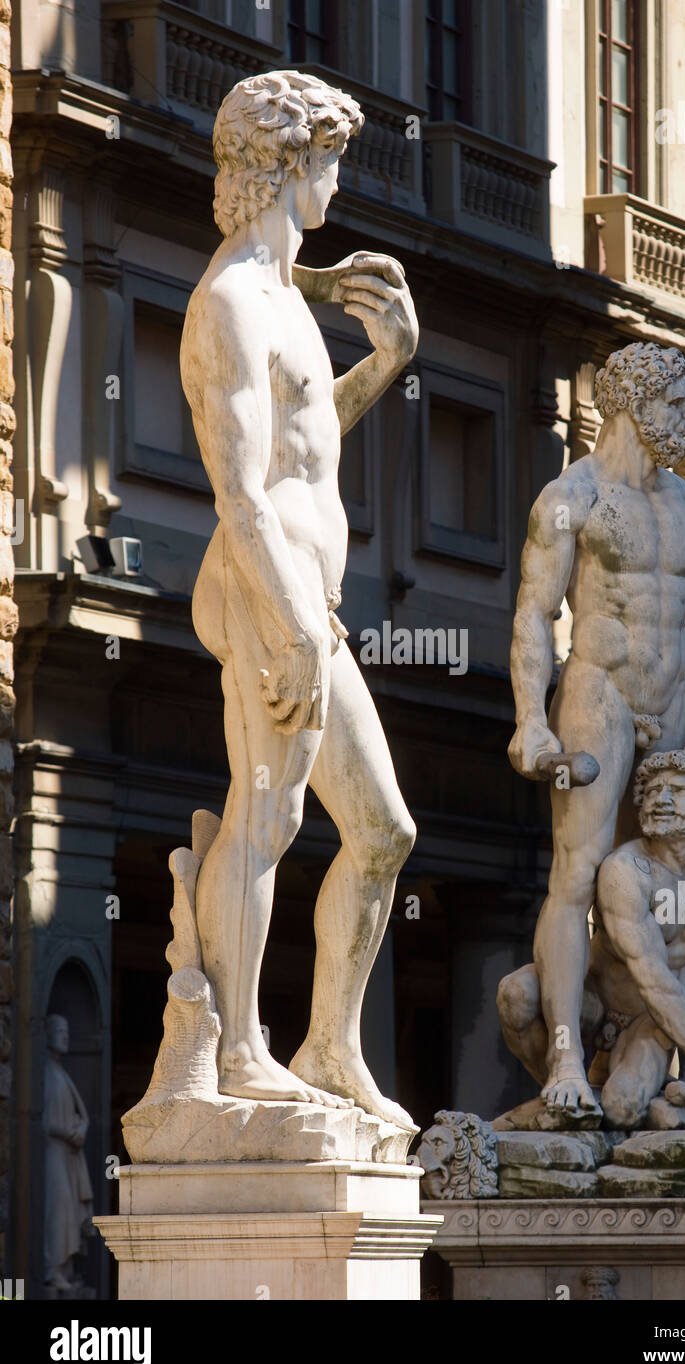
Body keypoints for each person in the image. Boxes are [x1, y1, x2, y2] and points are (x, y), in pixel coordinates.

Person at [180, 71, 419, 1126]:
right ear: (285, 164)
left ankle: (328, 1045)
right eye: (328, 159)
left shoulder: (285, 295)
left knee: (381, 832)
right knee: (266, 815)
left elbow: (308, 454)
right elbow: (241, 494)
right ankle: (233, 1049)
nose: (338, 179)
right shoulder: (230, 301)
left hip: (309, 607)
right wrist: (287, 627)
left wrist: (389, 359)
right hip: (262, 595)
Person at [504, 343, 685, 1122]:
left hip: (671, 706)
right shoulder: (571, 496)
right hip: (596, 695)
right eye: (676, 405)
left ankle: (662, 1043)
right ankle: (567, 1052)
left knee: (671, 883)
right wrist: (532, 720)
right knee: (577, 872)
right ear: (635, 404)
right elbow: (536, 614)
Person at [43, 1015, 93, 1290]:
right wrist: (71, 1130)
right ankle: (50, 1269)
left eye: (67, 1031)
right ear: (47, 1034)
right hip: (53, 1152)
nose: (65, 1036)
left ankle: (64, 1268)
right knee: (57, 1209)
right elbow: (46, 1121)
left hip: (66, 1154)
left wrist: (80, 1127)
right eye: (60, 1031)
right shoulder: (46, 1073)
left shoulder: (59, 1072)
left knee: (67, 1209)